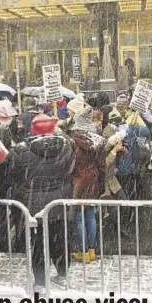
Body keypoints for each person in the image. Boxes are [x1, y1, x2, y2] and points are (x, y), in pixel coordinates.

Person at [5, 114, 75, 291]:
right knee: (60, 242)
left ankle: (40, 283)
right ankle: (63, 275)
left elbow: (12, 174)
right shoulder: (67, 145)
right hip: (59, 203)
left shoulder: (21, 151)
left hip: (33, 206)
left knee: (38, 246)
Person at [68, 107, 106, 263]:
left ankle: (82, 252)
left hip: (78, 181)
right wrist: (101, 182)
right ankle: (91, 250)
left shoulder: (72, 141)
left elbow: (71, 164)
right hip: (93, 179)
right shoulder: (97, 140)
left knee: (78, 218)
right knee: (91, 215)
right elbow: (102, 165)